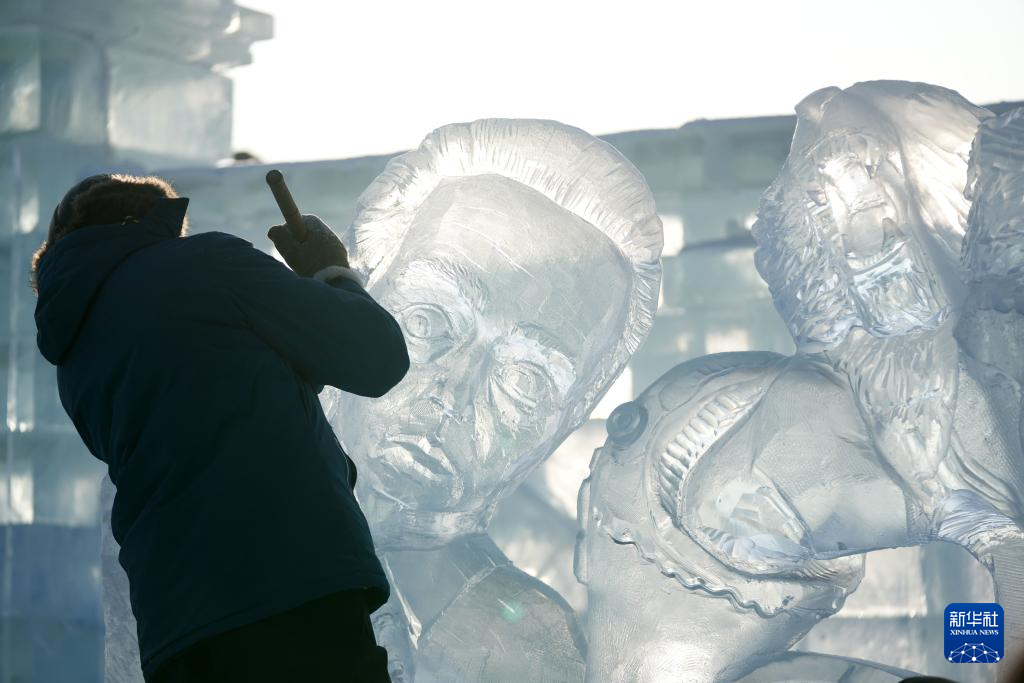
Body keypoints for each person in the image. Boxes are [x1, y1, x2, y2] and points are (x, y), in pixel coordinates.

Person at [32, 173, 409, 682]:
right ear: (147, 220)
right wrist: (331, 272)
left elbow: (211, 393)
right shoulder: (204, 262)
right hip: (287, 579)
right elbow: (375, 355)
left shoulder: (74, 352)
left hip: (176, 623)